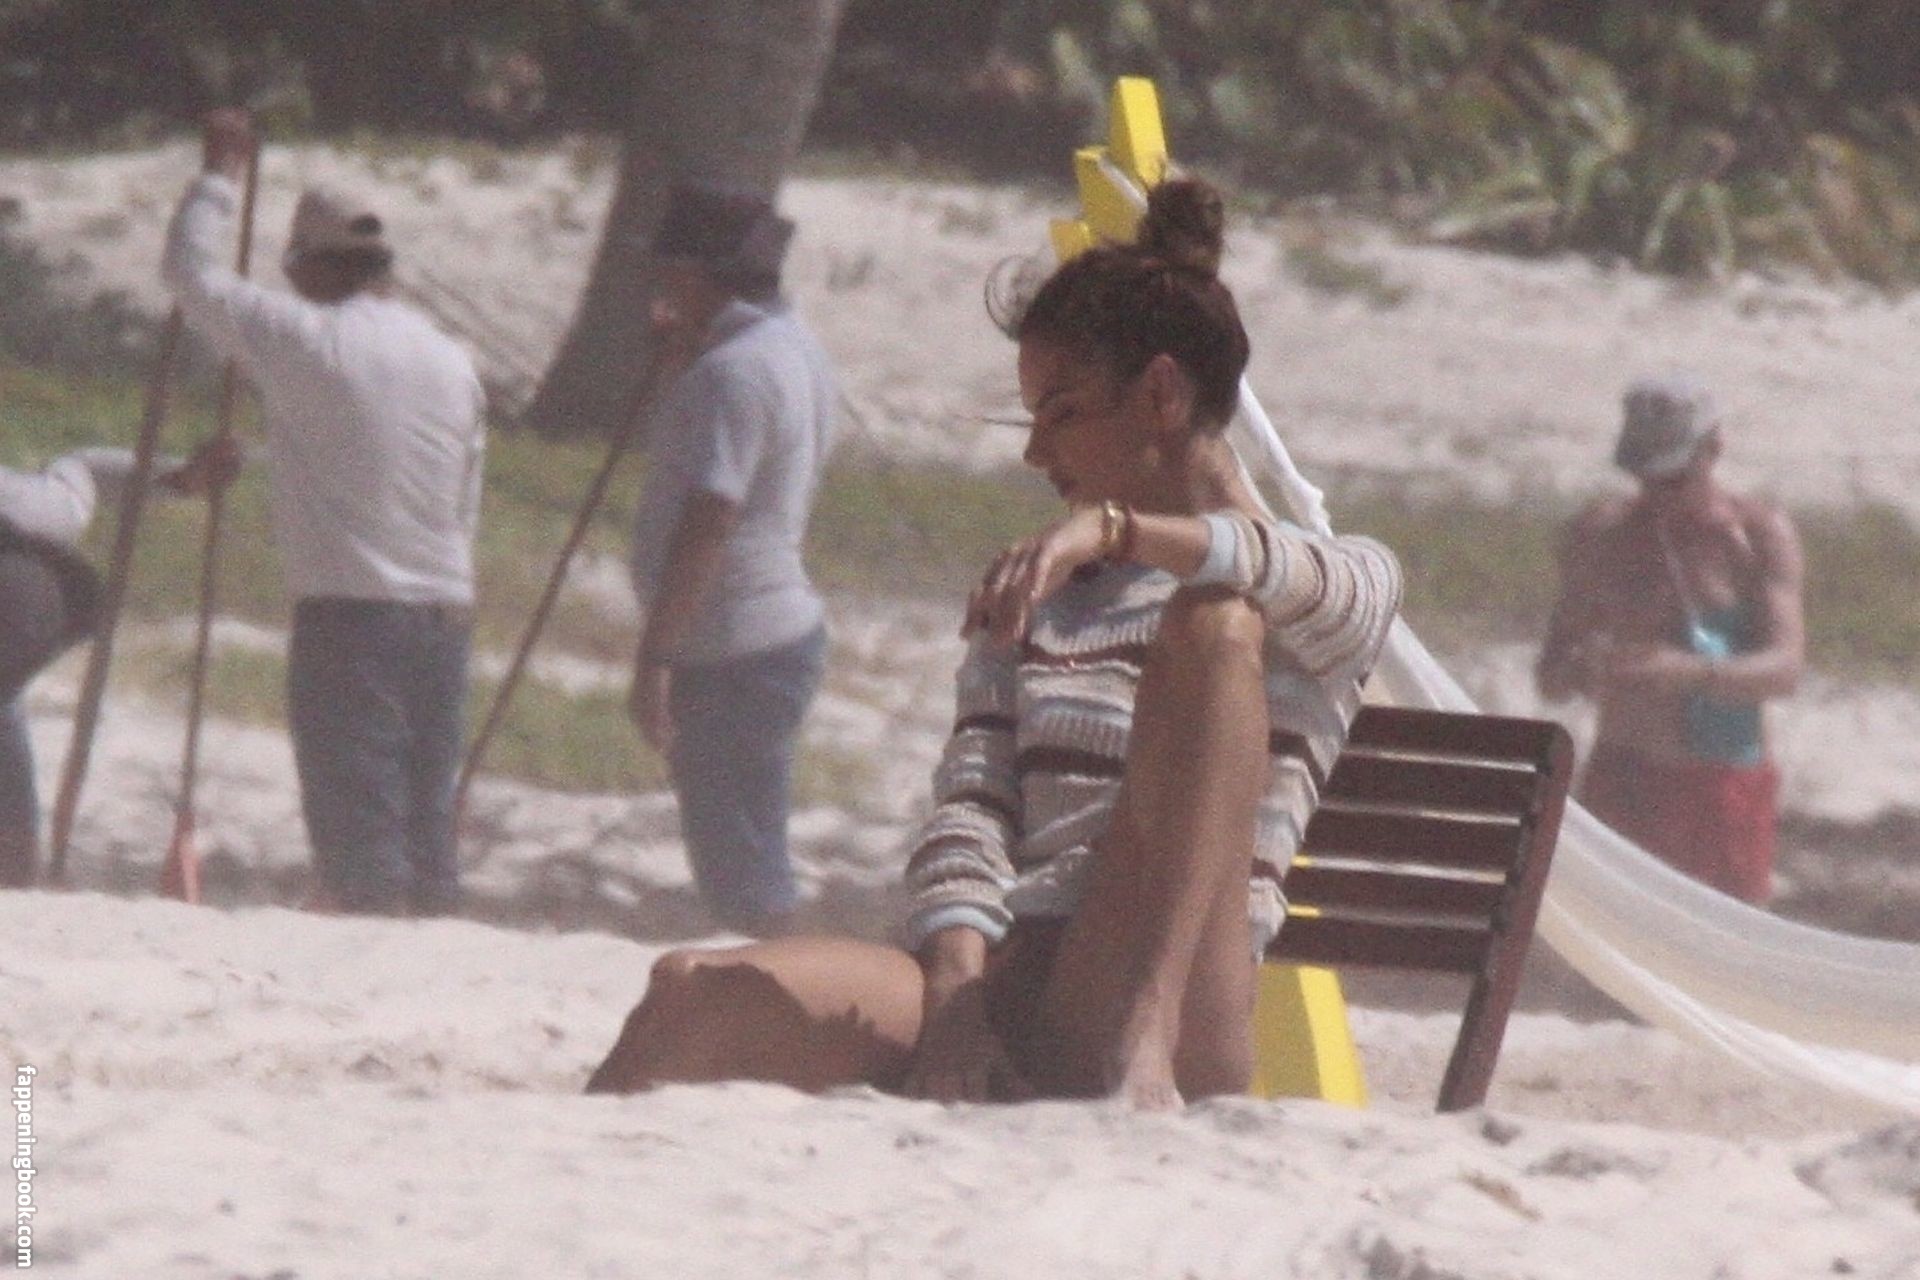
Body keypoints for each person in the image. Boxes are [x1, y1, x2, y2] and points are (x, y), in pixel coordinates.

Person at [587, 178, 1402, 1109]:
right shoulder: (1044, 591)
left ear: (1161, 395)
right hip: (1022, 977)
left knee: (1211, 624)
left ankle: (1141, 1032)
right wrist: (955, 996)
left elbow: (1303, 575)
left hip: (1177, 996)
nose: (1036, 454)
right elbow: (972, 805)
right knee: (688, 996)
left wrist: (1112, 532)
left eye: (1062, 414)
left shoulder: (1323, 587)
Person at [162, 110, 488, 916]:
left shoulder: (304, 337)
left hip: (353, 615)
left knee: (359, 841)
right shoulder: (452, 361)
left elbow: (189, 273)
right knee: (426, 833)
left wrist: (219, 177)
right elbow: (463, 496)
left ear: (309, 265)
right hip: (447, 612)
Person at [625, 184, 838, 935]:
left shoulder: (736, 372)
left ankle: (778, 981)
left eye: (669, 275)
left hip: (731, 644)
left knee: (739, 861)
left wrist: (657, 654)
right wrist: (682, 356)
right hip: (769, 631)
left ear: (694, 275)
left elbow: (711, 515)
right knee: (746, 842)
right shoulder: (794, 348)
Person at [1537, 373, 1805, 904]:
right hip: (1625, 775)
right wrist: (1586, 669)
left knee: (1726, 939)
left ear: (1714, 449)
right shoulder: (1603, 534)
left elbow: (1785, 668)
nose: (1657, 494)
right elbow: (1552, 676)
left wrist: (1685, 673)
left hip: (1722, 783)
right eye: (1645, 477)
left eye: (1673, 478)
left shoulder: (1754, 537)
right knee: (1606, 931)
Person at [0, 439, 238, 885]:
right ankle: (13, 852)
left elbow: (77, 476)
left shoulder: (25, 507)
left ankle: (12, 854)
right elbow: (80, 469)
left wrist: (180, 479)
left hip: (32, 599)